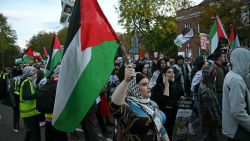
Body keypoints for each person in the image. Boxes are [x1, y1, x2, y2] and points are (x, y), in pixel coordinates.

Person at [110, 65, 169, 141]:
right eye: (144, 84)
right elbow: (114, 107)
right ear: (134, 87)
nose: (149, 87)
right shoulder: (128, 105)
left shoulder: (152, 103)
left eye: (148, 84)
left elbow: (160, 127)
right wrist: (126, 81)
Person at [222, 48, 250, 141]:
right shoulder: (237, 80)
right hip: (238, 129)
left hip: (233, 129)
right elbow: (238, 111)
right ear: (242, 60)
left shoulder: (231, 74)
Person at [151, 66, 183, 140]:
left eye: (172, 72)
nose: (172, 74)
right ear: (163, 75)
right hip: (164, 118)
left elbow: (175, 98)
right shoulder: (157, 87)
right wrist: (166, 86)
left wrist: (180, 98)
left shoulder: (173, 84)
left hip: (173, 116)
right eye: (169, 72)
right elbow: (165, 103)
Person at [198, 66, 221, 141]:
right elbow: (211, 111)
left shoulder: (205, 84)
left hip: (207, 123)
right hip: (210, 125)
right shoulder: (206, 90)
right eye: (214, 75)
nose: (215, 77)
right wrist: (219, 122)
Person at [19, 66, 41, 141]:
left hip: (30, 112)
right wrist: (38, 94)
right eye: (34, 73)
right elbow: (26, 96)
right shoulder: (27, 82)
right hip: (29, 112)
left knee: (30, 131)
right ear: (30, 74)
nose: (35, 74)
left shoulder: (28, 81)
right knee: (33, 133)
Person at [10, 68, 23, 132]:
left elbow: (11, 90)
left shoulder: (14, 79)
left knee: (16, 113)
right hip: (22, 98)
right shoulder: (24, 79)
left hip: (15, 97)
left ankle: (16, 127)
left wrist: (12, 101)